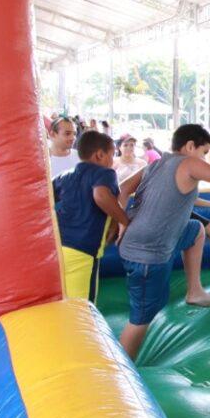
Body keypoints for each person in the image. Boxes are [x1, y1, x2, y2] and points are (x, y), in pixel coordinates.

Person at [115, 124, 210, 359]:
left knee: (196, 230)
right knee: (141, 318)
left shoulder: (155, 164)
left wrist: (122, 221)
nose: (203, 160)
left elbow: (122, 189)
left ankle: (195, 290)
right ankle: (118, 372)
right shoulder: (187, 163)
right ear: (190, 146)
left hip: (137, 243)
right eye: (203, 153)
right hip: (147, 254)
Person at [52, 130, 131, 303]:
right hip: (83, 249)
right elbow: (100, 195)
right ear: (99, 155)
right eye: (112, 155)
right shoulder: (104, 173)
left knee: (63, 301)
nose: (112, 161)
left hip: (56, 247)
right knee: (83, 307)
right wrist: (124, 221)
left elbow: (46, 197)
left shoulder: (64, 176)